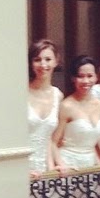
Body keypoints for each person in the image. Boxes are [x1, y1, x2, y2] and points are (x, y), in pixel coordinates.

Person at [52, 55, 100, 170]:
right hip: (68, 163)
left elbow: (97, 138)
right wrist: (62, 165)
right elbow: (54, 142)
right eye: (80, 76)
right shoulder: (66, 105)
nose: (86, 81)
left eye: (90, 76)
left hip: (90, 163)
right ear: (73, 78)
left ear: (96, 77)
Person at [27, 39, 63, 176]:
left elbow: (49, 138)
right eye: (37, 60)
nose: (43, 65)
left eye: (48, 59)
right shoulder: (20, 92)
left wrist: (53, 167)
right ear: (31, 63)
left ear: (56, 61)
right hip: (21, 168)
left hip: (44, 170)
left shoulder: (58, 95)